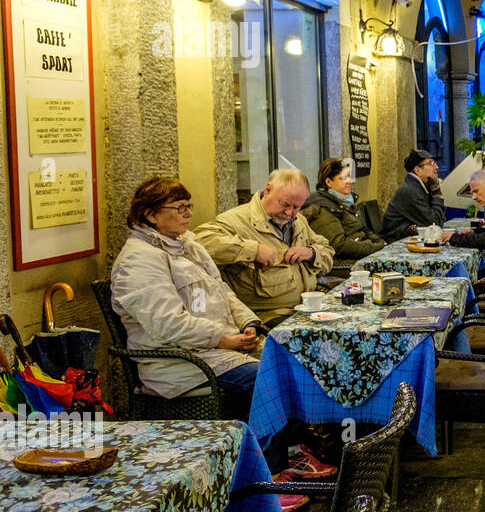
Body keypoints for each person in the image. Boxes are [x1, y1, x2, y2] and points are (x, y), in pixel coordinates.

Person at [110, 177, 263, 400]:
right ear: (151, 215)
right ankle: (264, 435)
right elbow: (168, 323)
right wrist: (221, 339)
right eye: (179, 208)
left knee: (294, 360)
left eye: (188, 206)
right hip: (180, 365)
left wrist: (247, 324)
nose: (189, 214)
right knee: (272, 379)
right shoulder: (138, 259)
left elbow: (223, 291)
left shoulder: (189, 246)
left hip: (219, 350)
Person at [192, 169, 334, 329]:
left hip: (308, 307)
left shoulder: (298, 221)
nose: (289, 213)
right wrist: (251, 250)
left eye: (296, 207)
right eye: (285, 204)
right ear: (267, 190)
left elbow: (327, 251)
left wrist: (311, 253)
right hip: (268, 316)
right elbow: (198, 243)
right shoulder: (236, 221)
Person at [303, 158, 386, 260]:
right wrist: (376, 247)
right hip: (343, 264)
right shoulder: (322, 207)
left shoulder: (344, 201)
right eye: (343, 178)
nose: (349, 181)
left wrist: (381, 243)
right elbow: (338, 246)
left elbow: (362, 229)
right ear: (328, 182)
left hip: (361, 253)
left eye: (350, 177)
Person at [381, 149, 445, 242]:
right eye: (431, 163)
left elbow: (439, 220)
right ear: (417, 170)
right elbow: (435, 224)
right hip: (395, 243)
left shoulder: (422, 187)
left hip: (408, 240)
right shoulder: (411, 190)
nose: (437, 167)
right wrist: (437, 193)